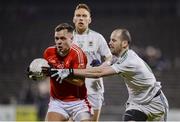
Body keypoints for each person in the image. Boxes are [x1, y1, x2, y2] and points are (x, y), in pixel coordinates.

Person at [46, 28, 169, 121]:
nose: (110, 43)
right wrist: (99, 64)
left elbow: (98, 73)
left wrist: (68, 72)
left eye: (114, 40)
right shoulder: (122, 57)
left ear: (124, 43)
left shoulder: (129, 60)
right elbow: (103, 66)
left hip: (155, 104)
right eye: (110, 40)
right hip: (137, 104)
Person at [30, 23, 93, 121]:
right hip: (58, 103)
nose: (59, 42)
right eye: (56, 38)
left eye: (63, 38)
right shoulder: (48, 52)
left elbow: (80, 82)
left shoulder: (78, 54)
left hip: (78, 102)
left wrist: (61, 74)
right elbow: (48, 73)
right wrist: (37, 74)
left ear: (71, 39)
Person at [72, 3, 112, 121]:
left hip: (94, 87)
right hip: (73, 86)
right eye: (78, 15)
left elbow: (109, 58)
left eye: (84, 16)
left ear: (89, 19)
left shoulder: (97, 38)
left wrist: (102, 66)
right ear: (74, 19)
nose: (81, 18)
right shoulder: (68, 39)